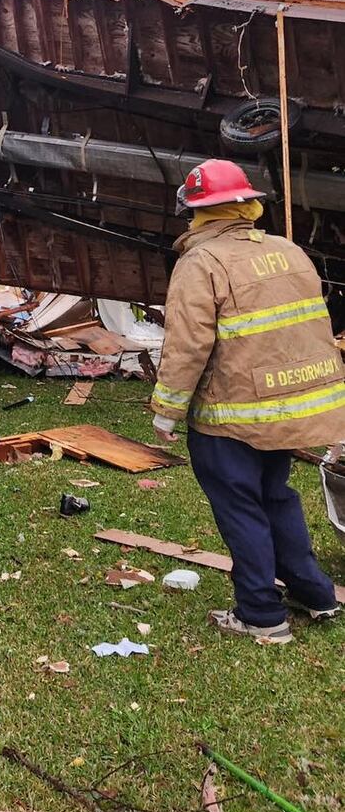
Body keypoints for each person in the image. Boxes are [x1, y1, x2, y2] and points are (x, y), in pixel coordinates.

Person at [151, 158, 344, 643]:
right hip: (285, 412)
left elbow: (187, 345)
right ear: (247, 204)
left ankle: (261, 613)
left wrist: (167, 411)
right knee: (276, 497)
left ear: (196, 213)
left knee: (241, 507)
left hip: (229, 417)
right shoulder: (289, 252)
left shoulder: (201, 263)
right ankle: (315, 593)